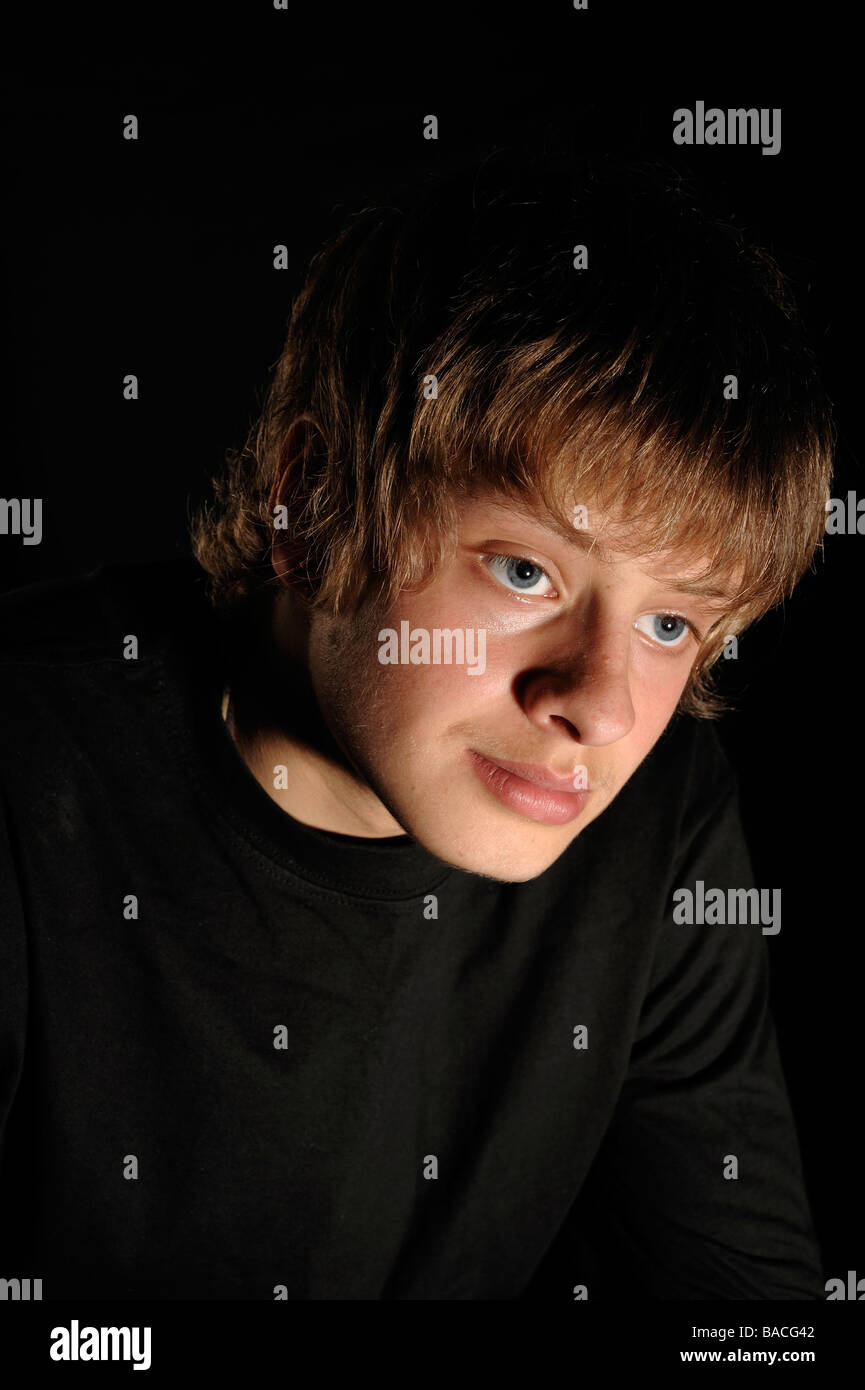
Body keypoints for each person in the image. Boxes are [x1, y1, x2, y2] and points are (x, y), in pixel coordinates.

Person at [0, 154, 833, 1299]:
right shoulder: (25, 775)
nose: (595, 703)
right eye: (523, 568)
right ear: (312, 502)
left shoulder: (664, 814)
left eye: (672, 623)